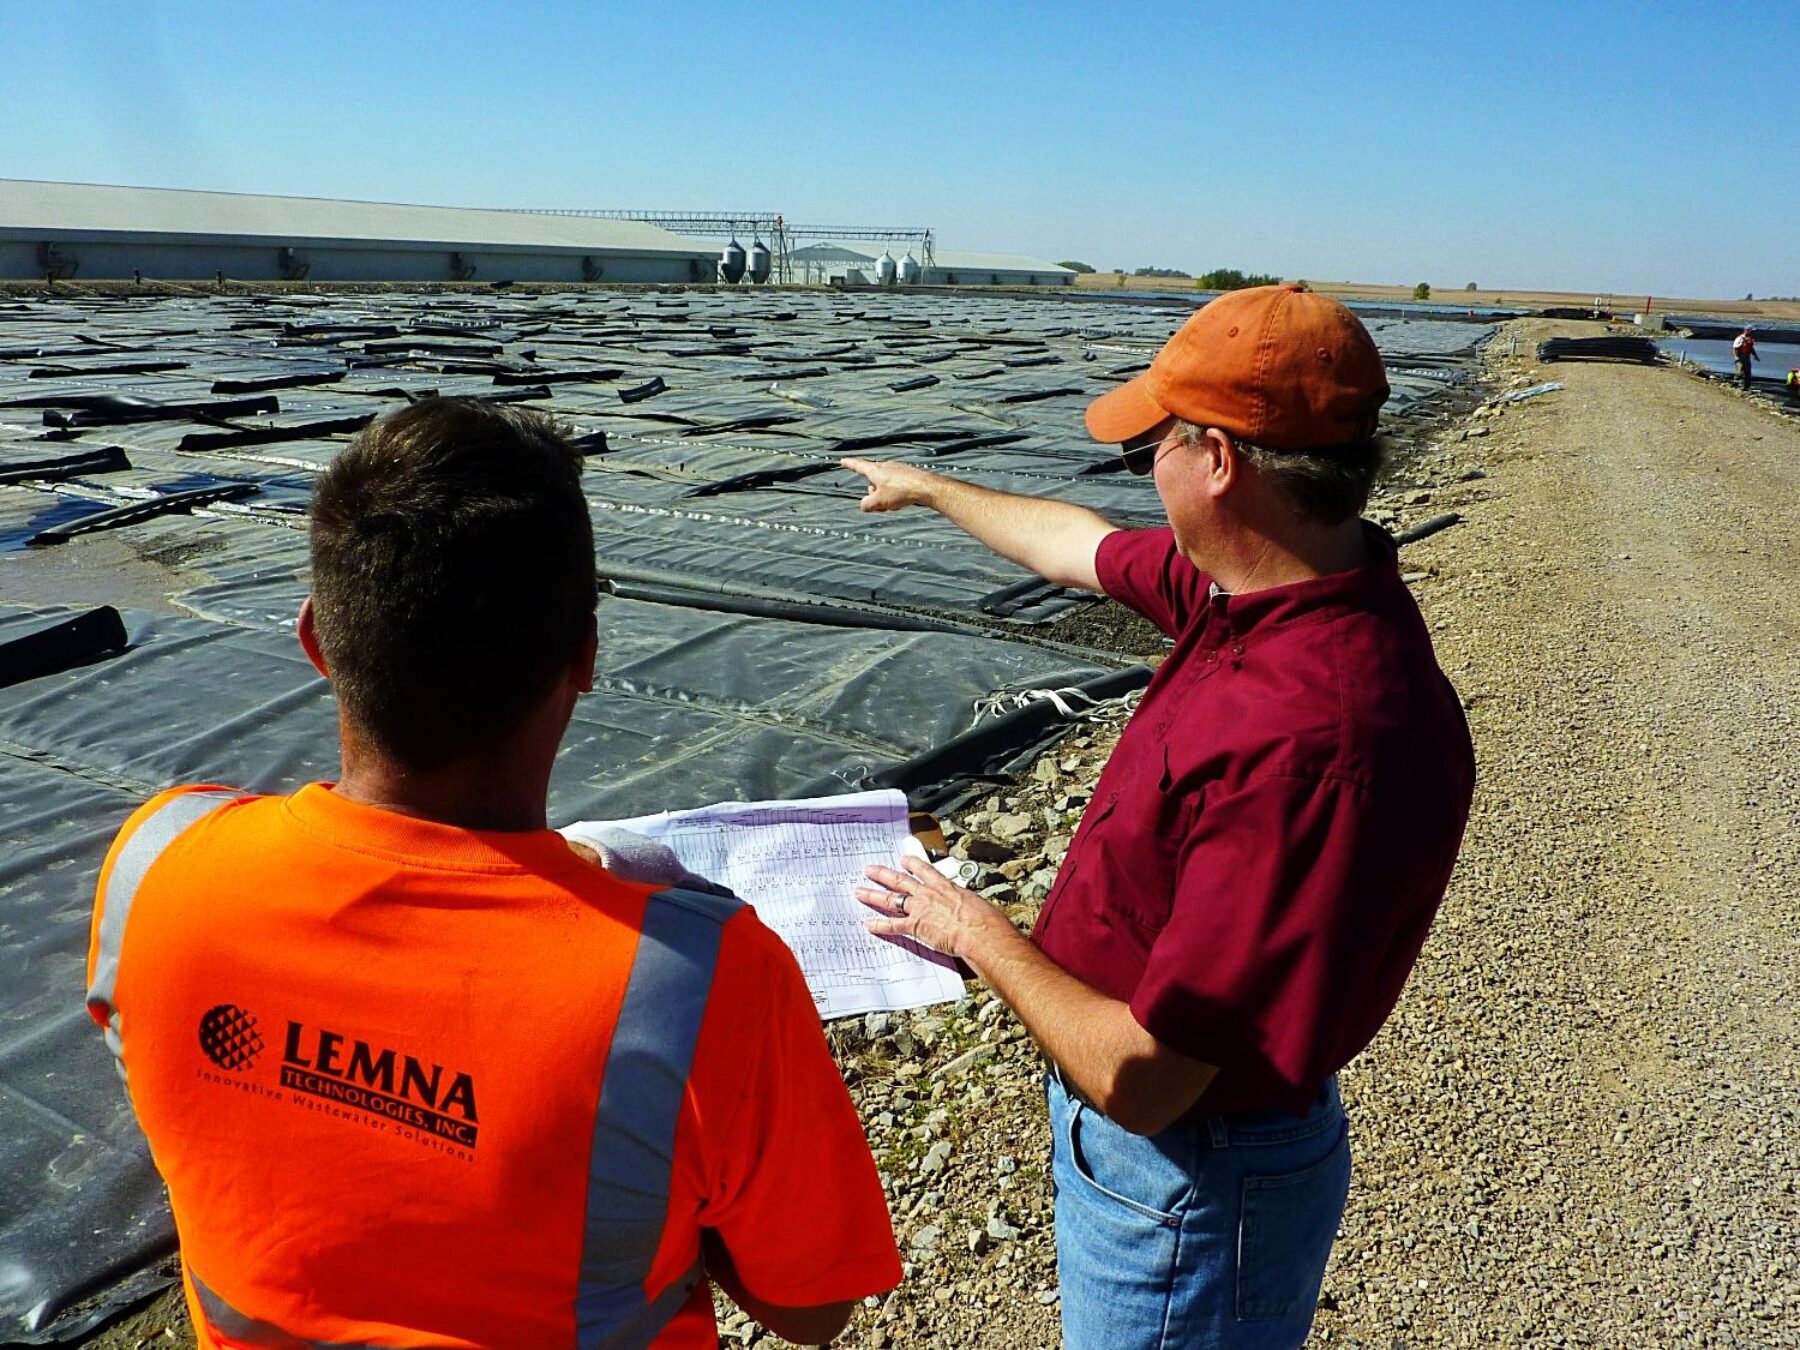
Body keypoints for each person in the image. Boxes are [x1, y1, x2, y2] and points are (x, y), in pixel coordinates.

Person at [86, 399, 900, 1349]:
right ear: (585, 660)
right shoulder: (705, 984)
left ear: (315, 639)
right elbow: (808, 1306)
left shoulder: (157, 862)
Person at [842, 285, 1474, 1348]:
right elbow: (1072, 544)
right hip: (1176, 1169)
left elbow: (1148, 1083)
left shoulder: (1306, 742)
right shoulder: (1266, 590)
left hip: (1187, 1186)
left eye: (1155, 447)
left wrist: (973, 930)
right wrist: (930, 488)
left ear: (1219, 463)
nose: (1145, 475)